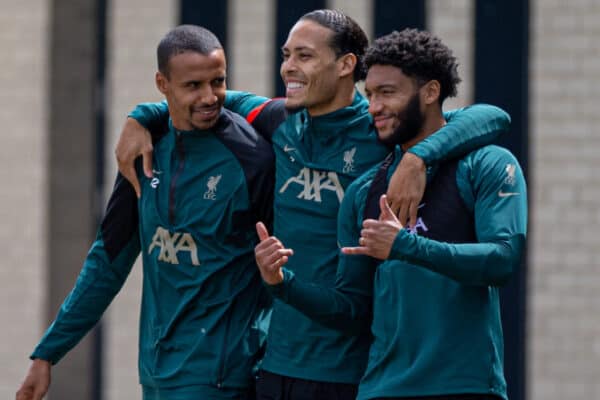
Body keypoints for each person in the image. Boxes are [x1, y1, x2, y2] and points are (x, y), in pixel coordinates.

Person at [116, 10, 511, 400]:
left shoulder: (382, 126)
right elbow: (204, 100)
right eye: (286, 55)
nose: (288, 67)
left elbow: (491, 116)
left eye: (304, 56)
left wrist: (417, 157)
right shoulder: (279, 119)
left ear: (346, 65)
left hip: (350, 370)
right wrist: (141, 115)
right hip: (274, 367)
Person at [256, 28, 528, 400]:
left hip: (465, 386)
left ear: (430, 92)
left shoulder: (487, 164)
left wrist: (405, 246)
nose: (374, 107)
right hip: (379, 389)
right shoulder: (363, 191)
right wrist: (282, 284)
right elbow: (353, 309)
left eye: (388, 93)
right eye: (369, 95)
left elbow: (502, 260)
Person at [16, 25, 274, 400]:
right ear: (162, 83)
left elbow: (282, 267)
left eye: (217, 82)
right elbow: (107, 263)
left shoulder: (253, 160)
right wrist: (47, 353)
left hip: (222, 375)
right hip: (155, 373)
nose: (209, 97)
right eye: (193, 86)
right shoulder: (143, 154)